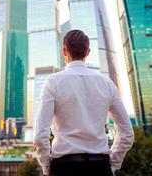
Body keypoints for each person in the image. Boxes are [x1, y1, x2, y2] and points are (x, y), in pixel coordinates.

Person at [33, 30, 134, 176]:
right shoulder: (107, 84)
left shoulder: (53, 82)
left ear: (64, 51)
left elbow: (40, 135)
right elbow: (127, 134)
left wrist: (48, 167)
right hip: (100, 167)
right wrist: (112, 166)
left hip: (64, 168)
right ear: (88, 52)